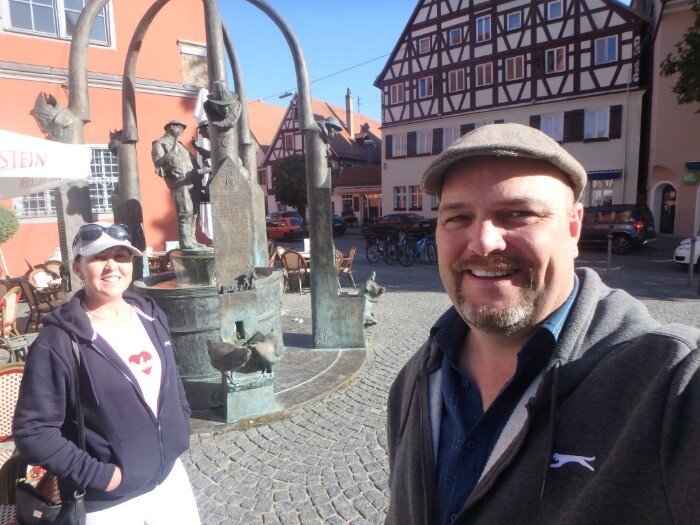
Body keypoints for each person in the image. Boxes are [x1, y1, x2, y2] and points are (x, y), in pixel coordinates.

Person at [385, 123, 699, 524]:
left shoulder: (671, 382)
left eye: (518, 214)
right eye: (458, 217)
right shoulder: (415, 377)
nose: (483, 242)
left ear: (573, 228)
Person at [13, 222, 200, 524]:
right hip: (111, 503)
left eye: (121, 256)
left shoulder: (150, 315)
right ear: (78, 267)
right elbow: (33, 432)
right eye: (99, 257)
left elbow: (171, 379)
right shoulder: (58, 341)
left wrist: (181, 426)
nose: (112, 266)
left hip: (170, 480)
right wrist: (101, 476)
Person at [151, 120, 205, 250]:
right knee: (185, 212)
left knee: (194, 212)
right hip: (179, 181)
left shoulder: (180, 144)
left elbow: (190, 161)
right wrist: (172, 151)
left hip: (192, 180)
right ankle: (185, 242)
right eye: (180, 128)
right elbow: (158, 162)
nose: (182, 131)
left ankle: (192, 240)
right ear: (171, 127)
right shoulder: (159, 143)